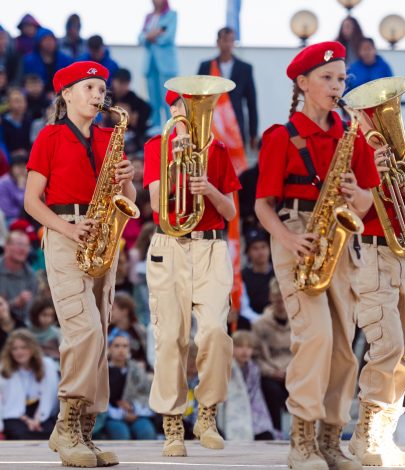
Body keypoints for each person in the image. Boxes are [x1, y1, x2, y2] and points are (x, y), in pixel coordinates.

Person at [254, 41, 381, 470]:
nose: (336, 85)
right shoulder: (279, 136)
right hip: (296, 232)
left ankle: (330, 439)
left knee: (345, 345)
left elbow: (367, 202)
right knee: (316, 337)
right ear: (303, 83)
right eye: (327, 78)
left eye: (342, 79)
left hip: (341, 238)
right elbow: (262, 205)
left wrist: (358, 194)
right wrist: (289, 242)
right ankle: (301, 440)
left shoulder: (351, 134)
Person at [24, 60, 136, 467]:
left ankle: (85, 431)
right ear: (66, 94)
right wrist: (66, 229)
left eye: (101, 88)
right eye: (89, 87)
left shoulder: (111, 136)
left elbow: (130, 197)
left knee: (100, 336)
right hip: (65, 232)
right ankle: (65, 425)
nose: (98, 94)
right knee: (84, 330)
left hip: (104, 235)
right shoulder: (49, 136)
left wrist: (127, 177)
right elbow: (31, 201)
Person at [144, 89, 241, 457]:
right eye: (180, 106)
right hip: (170, 245)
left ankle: (207, 413)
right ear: (170, 110)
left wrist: (209, 189)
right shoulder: (158, 146)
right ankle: (172, 423)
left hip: (211, 246)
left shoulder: (217, 150)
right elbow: (155, 203)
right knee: (170, 337)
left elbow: (231, 212)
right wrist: (179, 165)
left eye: (192, 106)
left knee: (216, 331)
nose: (186, 112)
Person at [347, 91, 405, 468]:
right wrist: (374, 171)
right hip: (371, 252)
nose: (375, 120)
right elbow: (358, 205)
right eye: (369, 113)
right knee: (385, 346)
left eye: (379, 112)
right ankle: (364, 435)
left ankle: (383, 435)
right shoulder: (355, 150)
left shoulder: (402, 154)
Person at [197, 26, 258, 149]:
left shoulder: (245, 68)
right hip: (212, 126)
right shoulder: (206, 67)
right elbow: (197, 99)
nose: (228, 44)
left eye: (231, 40)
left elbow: (251, 103)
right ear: (218, 42)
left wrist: (253, 133)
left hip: (236, 127)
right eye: (225, 40)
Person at [0, 329, 59, 440]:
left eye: (23, 347)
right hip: (16, 415)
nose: (19, 352)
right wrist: (27, 420)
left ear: (32, 349)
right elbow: (8, 404)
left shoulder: (47, 365)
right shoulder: (5, 370)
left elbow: (48, 396)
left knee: (51, 434)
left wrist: (37, 419)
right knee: (20, 434)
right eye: (15, 349)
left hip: (40, 413)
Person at [251, 277, 291, 433]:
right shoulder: (259, 324)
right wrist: (272, 372)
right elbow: (256, 357)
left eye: (284, 298)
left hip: (294, 372)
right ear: (270, 297)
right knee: (270, 388)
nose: (280, 302)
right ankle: (276, 431)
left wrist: (291, 371)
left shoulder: (300, 322)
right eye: (277, 298)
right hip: (271, 372)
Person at [103, 330, 156, 440]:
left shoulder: (137, 369)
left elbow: (146, 393)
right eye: (116, 346)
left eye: (125, 346)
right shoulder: (102, 370)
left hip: (136, 413)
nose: (121, 350)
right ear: (109, 348)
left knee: (147, 431)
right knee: (121, 434)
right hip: (111, 414)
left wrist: (133, 408)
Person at [222, 330, 275, 441]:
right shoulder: (225, 367)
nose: (245, 351)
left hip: (252, 408)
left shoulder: (254, 369)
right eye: (240, 346)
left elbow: (256, 395)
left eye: (249, 347)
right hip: (228, 408)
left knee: (265, 433)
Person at [138, 0, 178, 127]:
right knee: (153, 99)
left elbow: (168, 37)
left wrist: (149, 36)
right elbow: (140, 38)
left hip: (166, 65)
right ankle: (155, 127)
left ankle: (170, 128)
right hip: (151, 65)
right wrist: (153, 35)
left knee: (167, 99)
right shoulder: (149, 17)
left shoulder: (172, 15)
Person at [0, 229, 38, 322]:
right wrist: (16, 303)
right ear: (6, 246)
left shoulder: (31, 274)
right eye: (19, 244)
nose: (23, 249)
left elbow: (32, 310)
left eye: (26, 246)